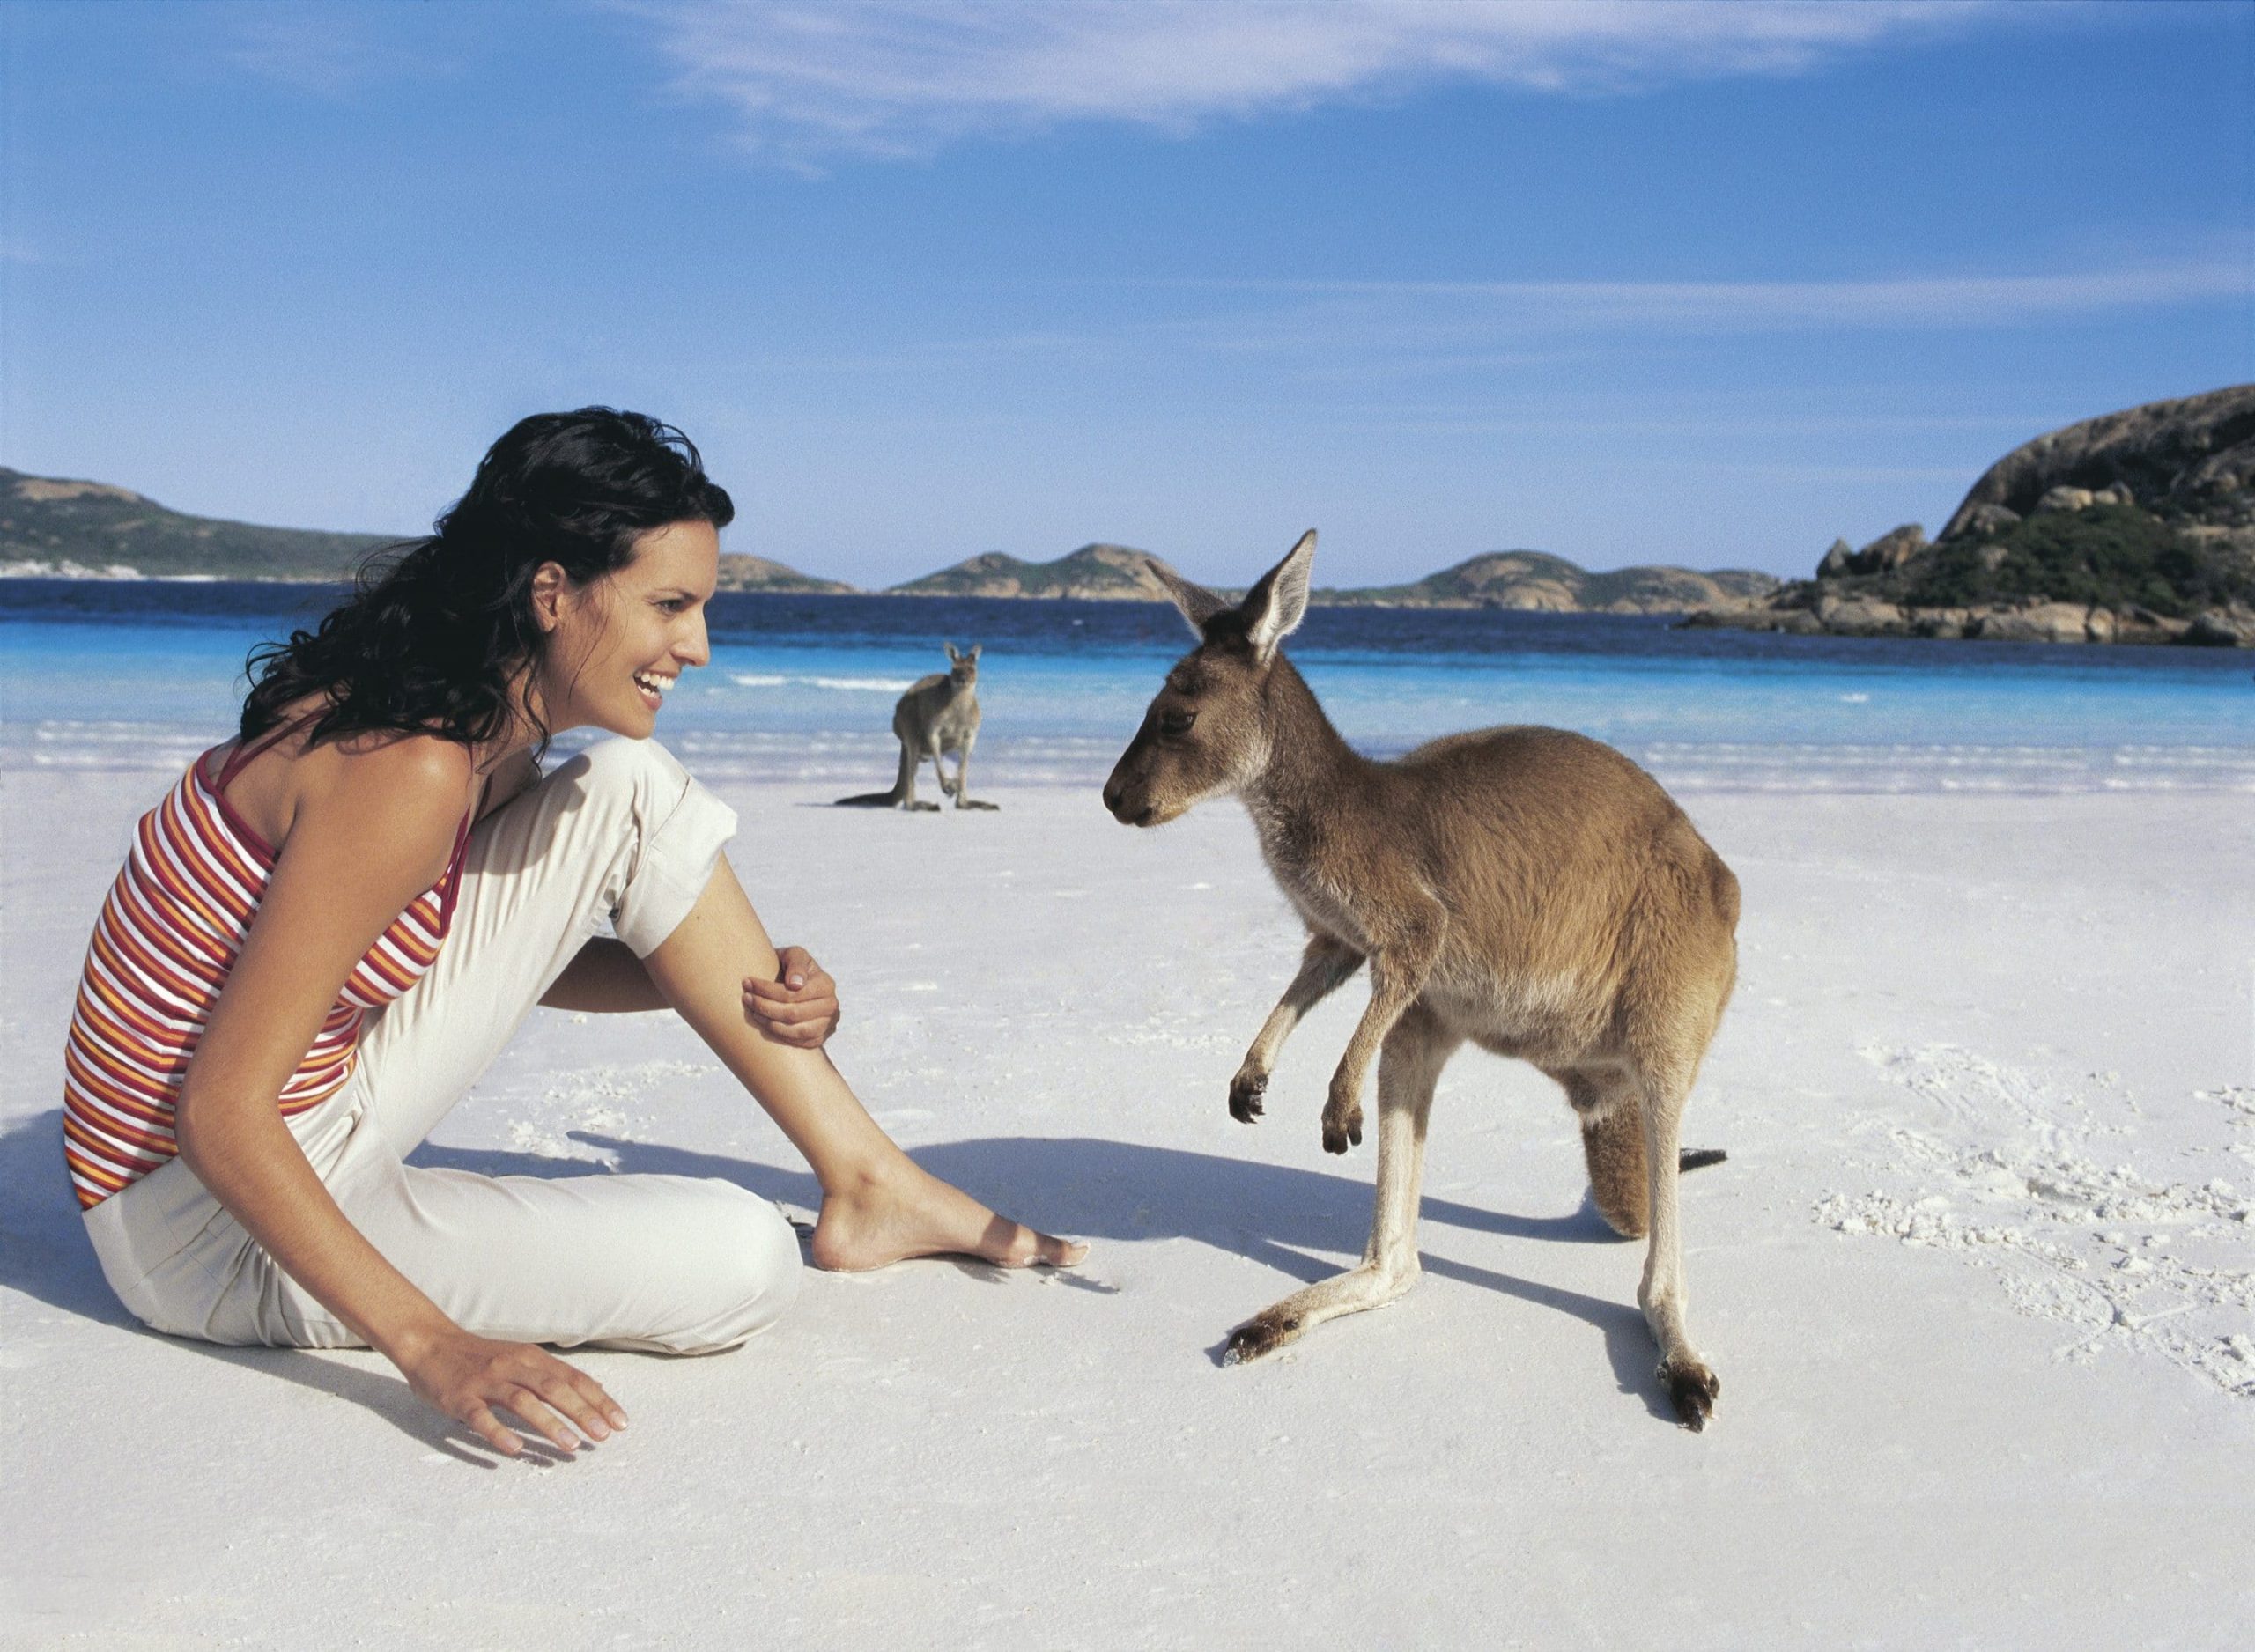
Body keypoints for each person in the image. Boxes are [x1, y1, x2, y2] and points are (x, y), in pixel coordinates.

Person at [62, 408, 1084, 1457]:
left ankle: (870, 1180)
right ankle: (862, 1189)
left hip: (293, 1119)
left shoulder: (466, 725)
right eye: (671, 605)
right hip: (205, 1228)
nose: (698, 645)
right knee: (740, 1261)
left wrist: (743, 982)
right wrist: (432, 1345)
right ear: (553, 593)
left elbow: (497, 953)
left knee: (624, 782)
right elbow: (220, 1111)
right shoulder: (409, 768)